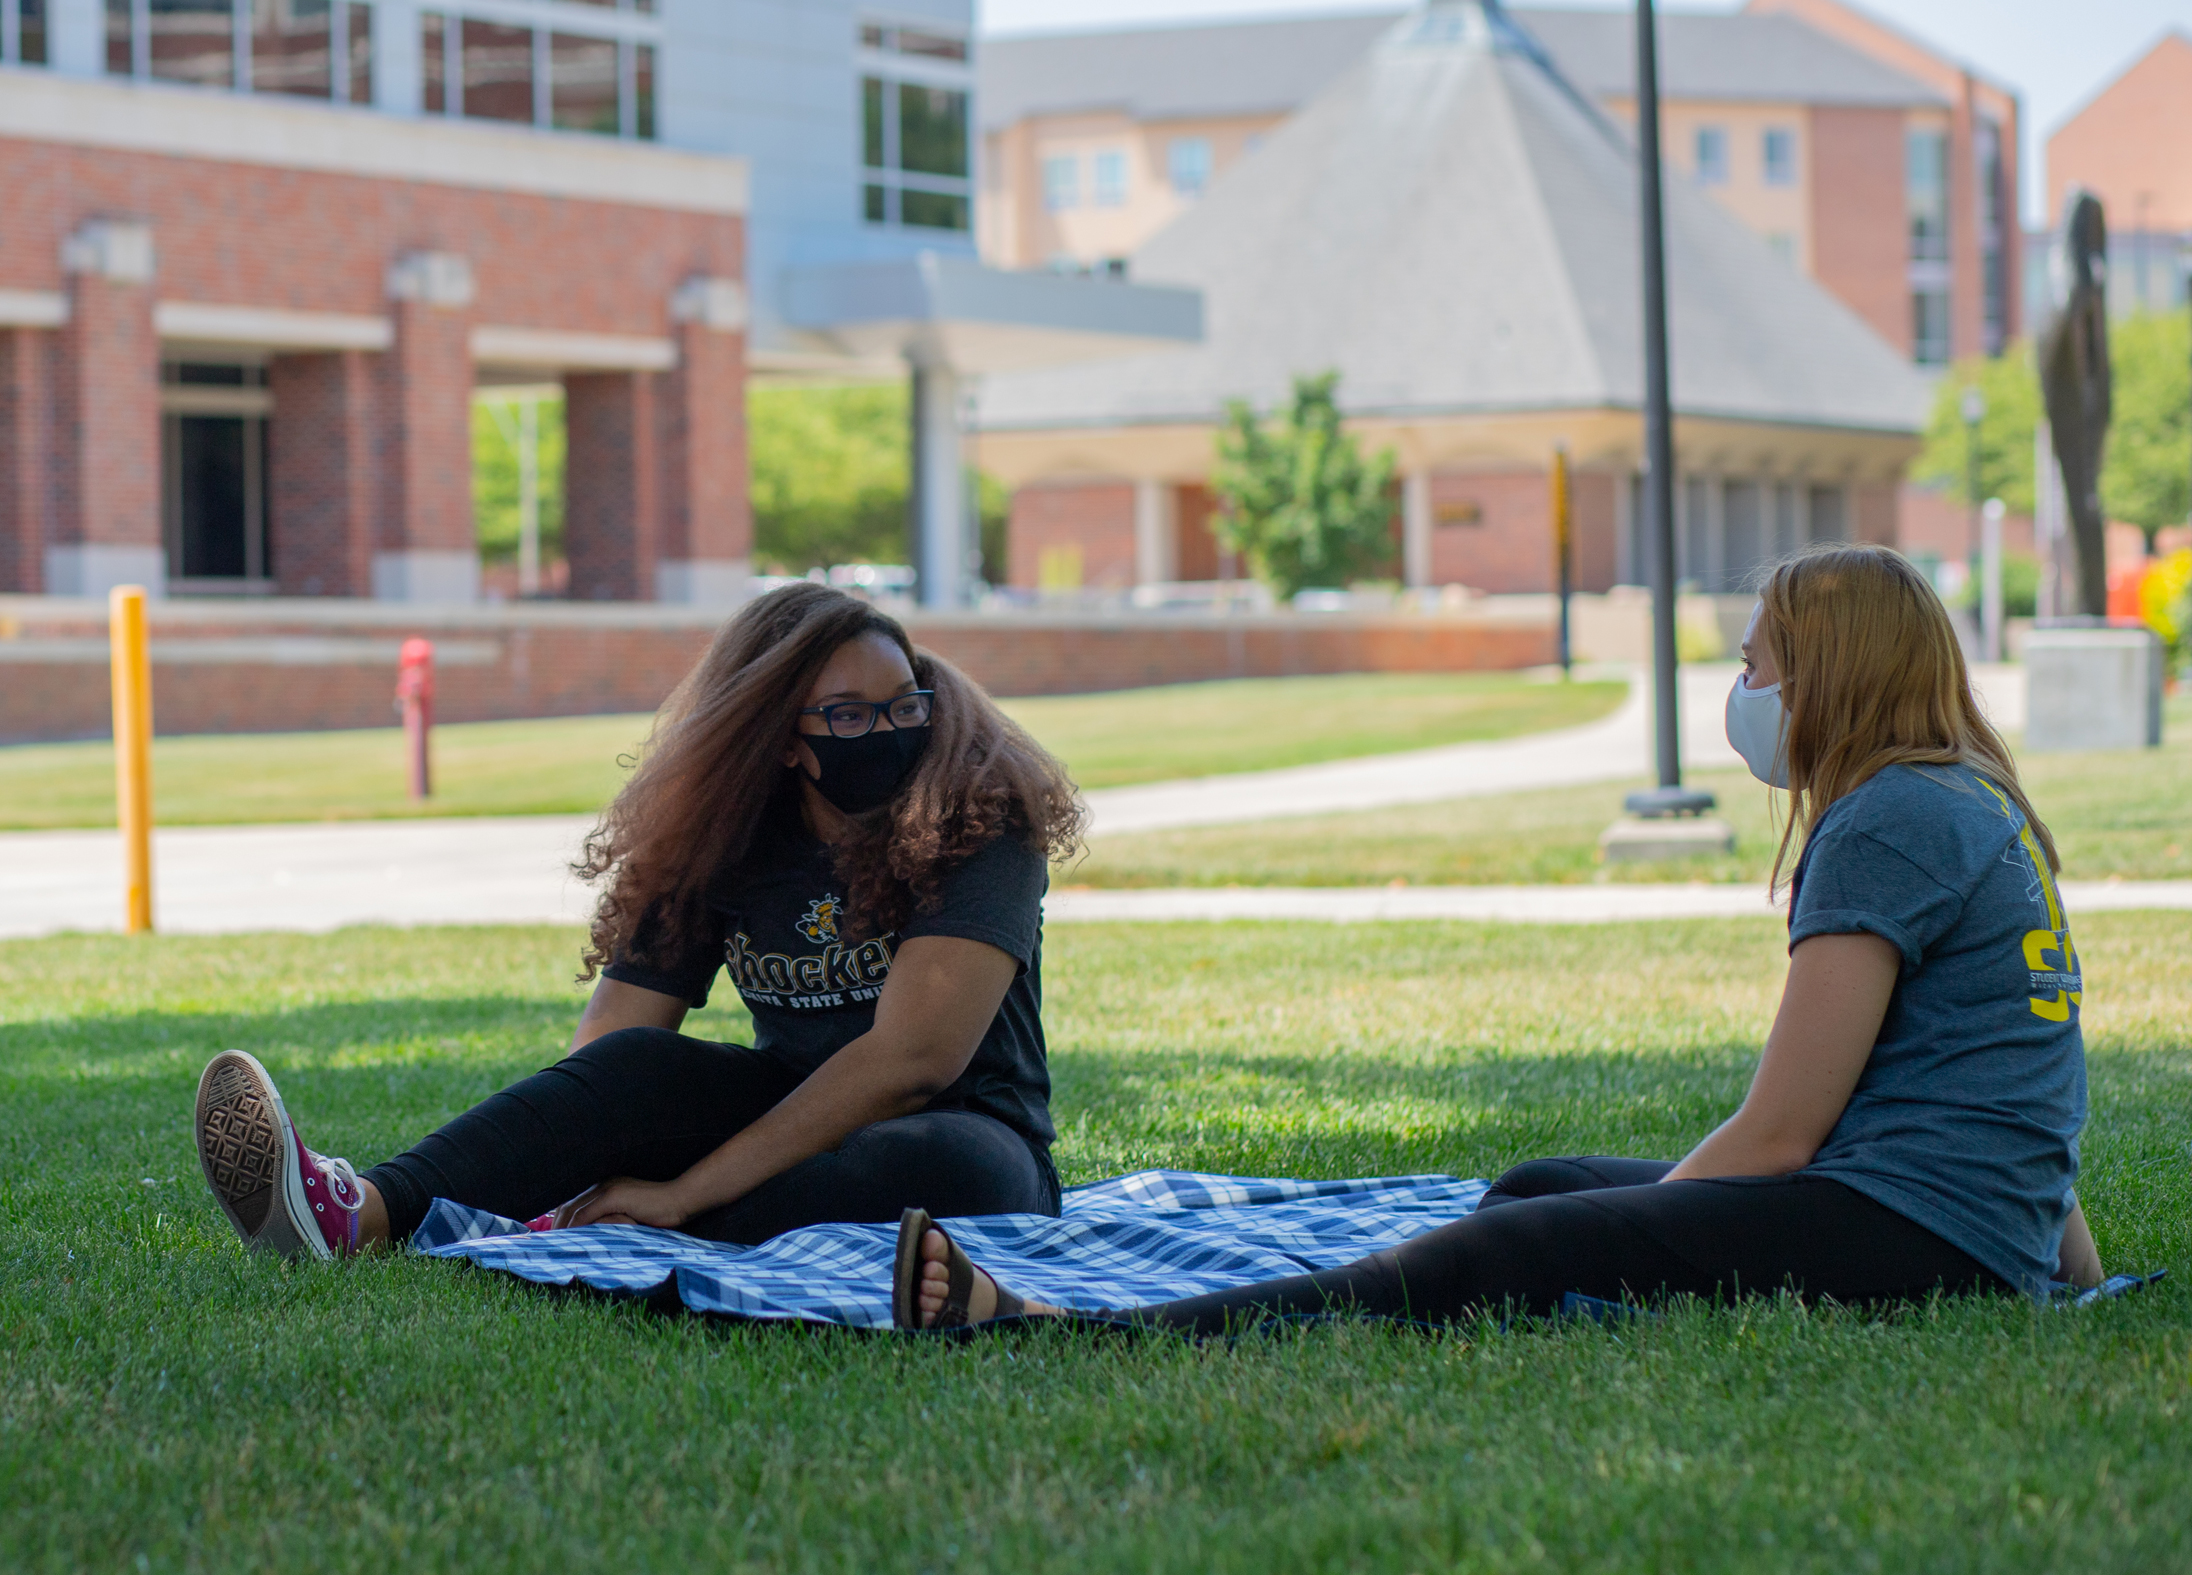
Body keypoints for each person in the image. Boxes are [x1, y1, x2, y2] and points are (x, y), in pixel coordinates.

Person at [901, 541, 2103, 1333]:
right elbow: (2015, 1077)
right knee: (1538, 1188)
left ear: (1827, 677)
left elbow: (1782, 1131)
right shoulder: (1969, 799)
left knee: (1529, 1238)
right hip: (1950, 1221)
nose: (1744, 692)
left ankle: (1069, 1328)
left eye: (1756, 666)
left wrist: (1647, 1229)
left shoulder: (1888, 817)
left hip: (1914, 1231)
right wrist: (2070, 1268)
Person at [194, 581, 1086, 1257]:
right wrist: (569, 1150)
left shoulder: (976, 816)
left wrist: (686, 1189)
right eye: (848, 716)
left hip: (969, 1135)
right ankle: (361, 1214)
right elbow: (614, 1040)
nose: (887, 733)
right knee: (639, 1069)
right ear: (778, 737)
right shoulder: (726, 836)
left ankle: (639, 1228)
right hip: (785, 1111)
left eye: (903, 708)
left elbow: (913, 1062)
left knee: (929, 1164)